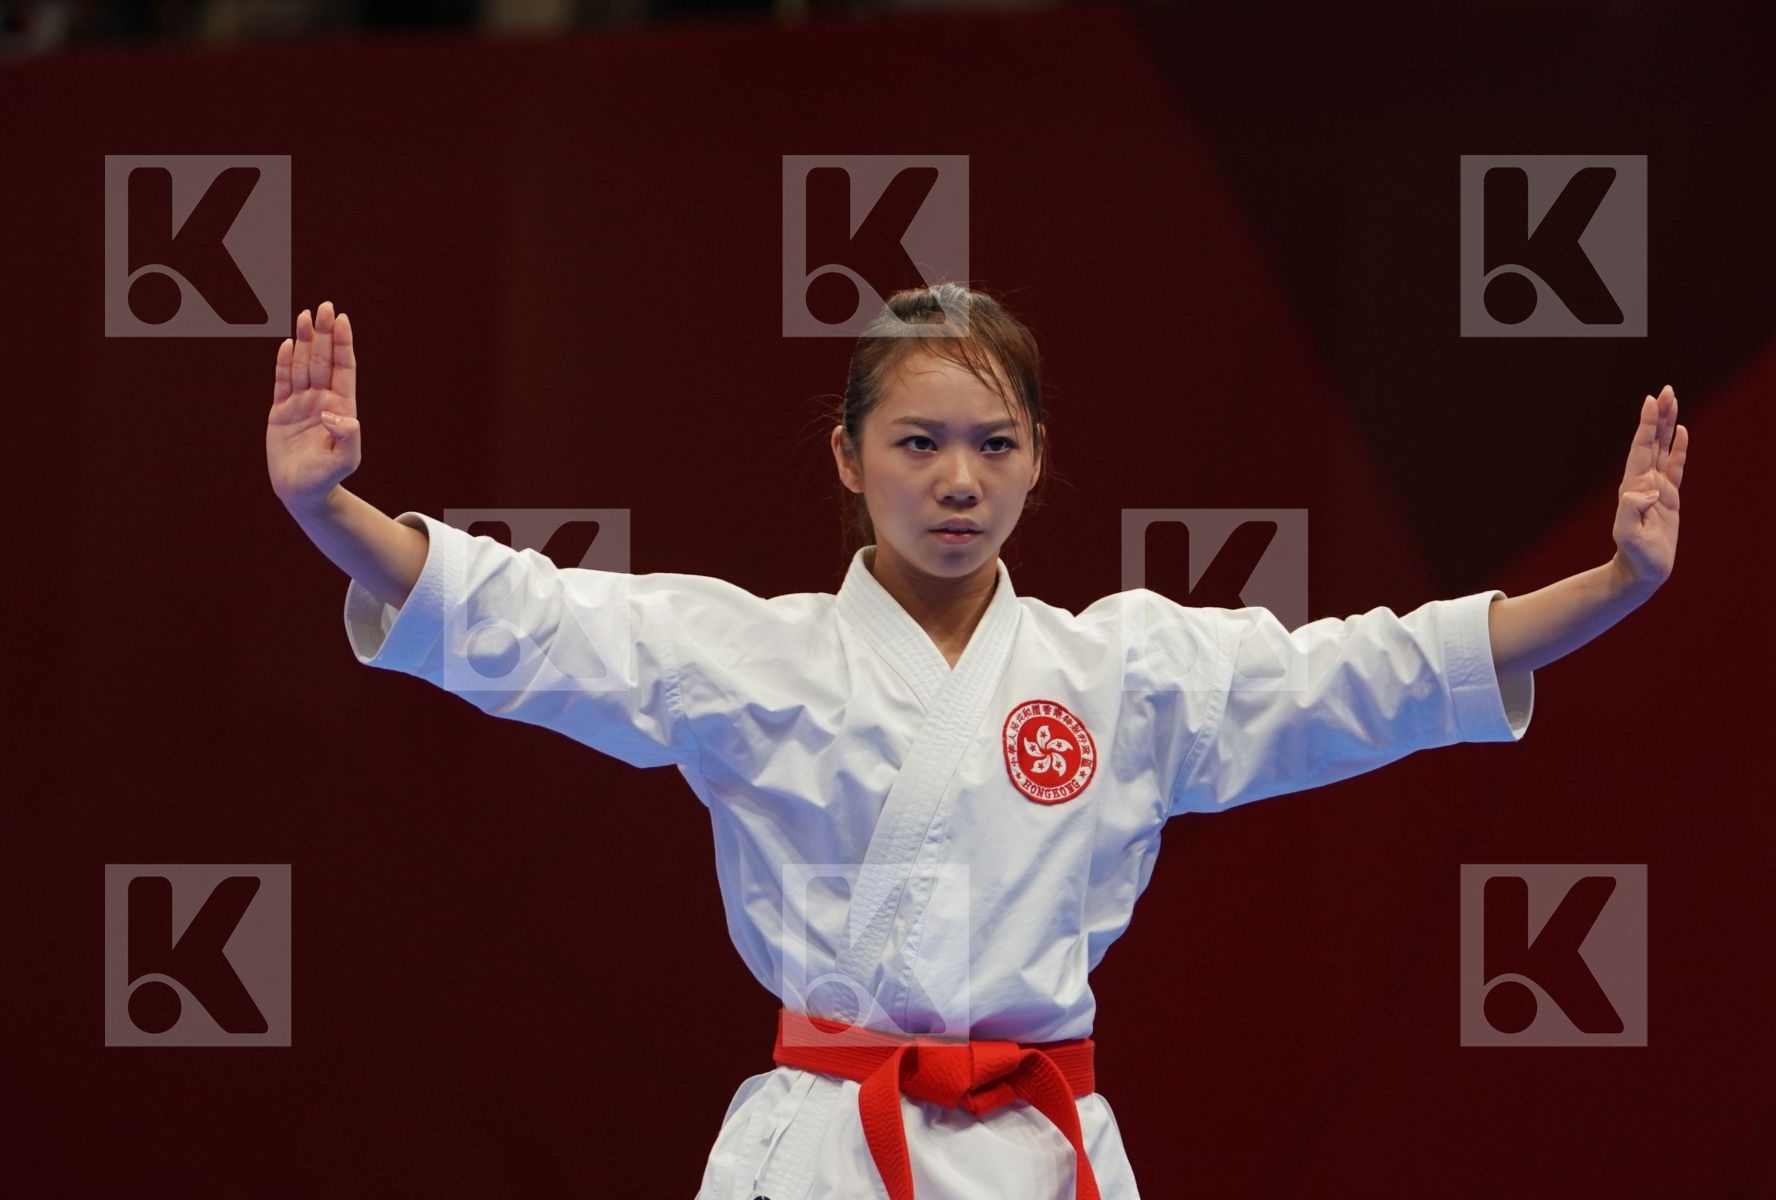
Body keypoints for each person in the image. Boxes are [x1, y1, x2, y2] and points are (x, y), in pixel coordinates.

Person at [266, 284, 1688, 1199]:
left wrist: (1614, 585)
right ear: (848, 456)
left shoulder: (1126, 671)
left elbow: (1372, 674)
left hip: (1042, 1154)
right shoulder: (753, 657)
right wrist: (331, 510)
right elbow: (529, 617)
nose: (959, 480)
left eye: (996, 444)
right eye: (919, 442)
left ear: (1038, 458)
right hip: (828, 1153)